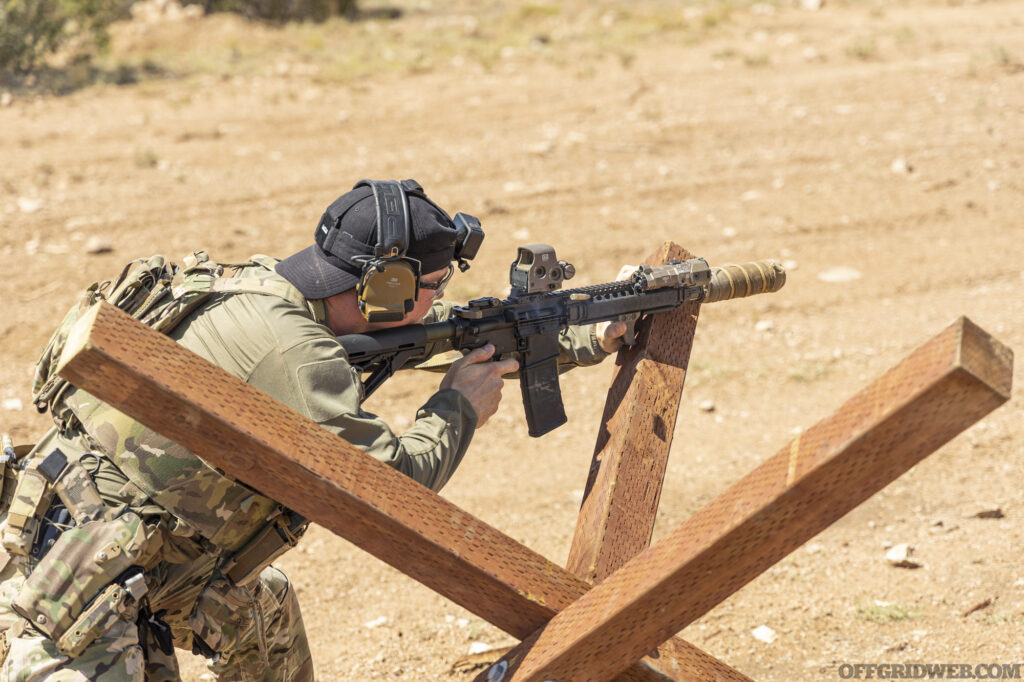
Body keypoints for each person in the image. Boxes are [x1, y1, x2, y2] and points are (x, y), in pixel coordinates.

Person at [0, 179, 628, 680]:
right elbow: (390, 489)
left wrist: (586, 337)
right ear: (387, 284)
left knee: (265, 612)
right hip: (79, 583)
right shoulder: (298, 357)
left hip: (97, 531)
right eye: (434, 286)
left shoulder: (256, 286)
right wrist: (456, 408)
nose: (439, 302)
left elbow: (426, 340)